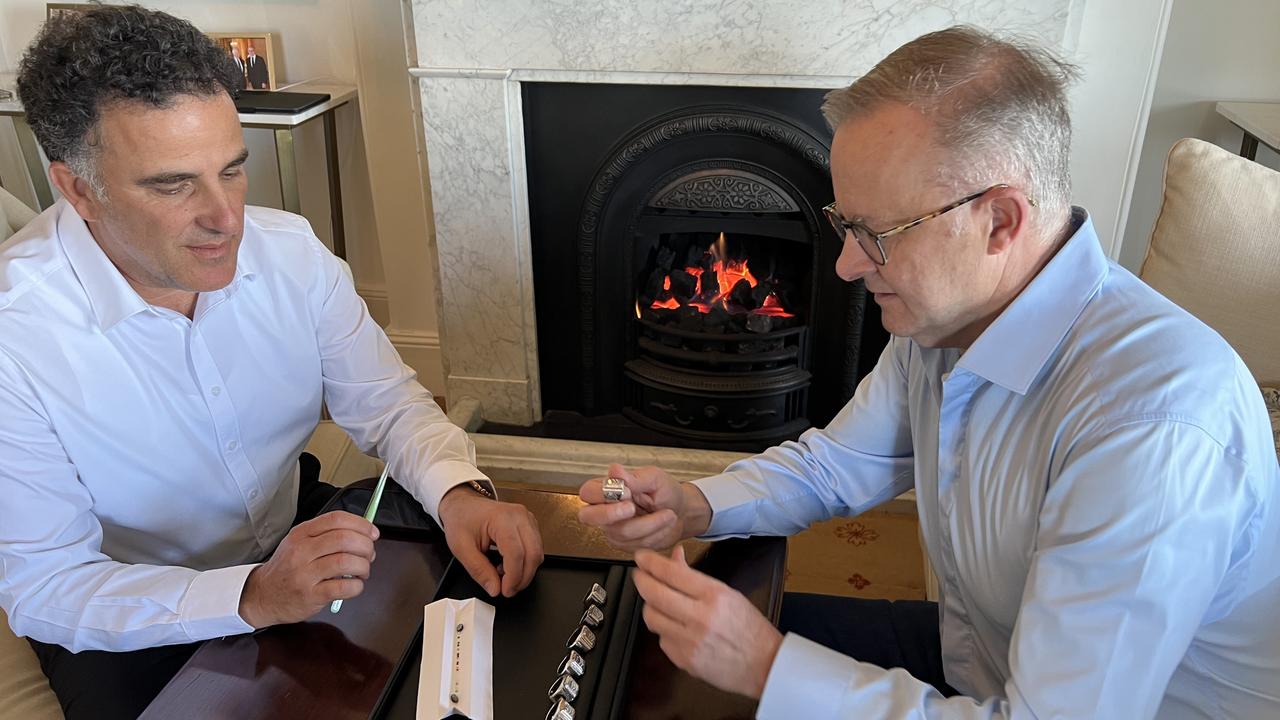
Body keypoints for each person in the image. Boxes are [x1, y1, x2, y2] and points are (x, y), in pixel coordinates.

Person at [580, 26, 1280, 720]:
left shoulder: (1155, 426)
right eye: (843, 225)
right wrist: (696, 506)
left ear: (1000, 221)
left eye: (876, 235)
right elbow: (836, 466)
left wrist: (767, 667)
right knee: (644, 652)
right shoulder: (949, 317)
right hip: (976, 658)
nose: (847, 265)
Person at [1, 6, 543, 718]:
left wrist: (460, 494)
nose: (227, 218)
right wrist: (252, 596)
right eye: (172, 185)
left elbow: (389, 405)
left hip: (292, 541)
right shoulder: (18, 337)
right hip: (129, 613)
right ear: (77, 189)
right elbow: (46, 587)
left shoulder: (291, 254)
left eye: (232, 169)